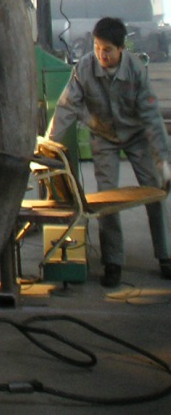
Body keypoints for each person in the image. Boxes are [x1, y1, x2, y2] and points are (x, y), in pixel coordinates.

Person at [47, 15, 171, 287]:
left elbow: (151, 116)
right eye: (97, 48)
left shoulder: (135, 70)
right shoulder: (85, 68)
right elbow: (67, 106)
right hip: (103, 137)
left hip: (136, 135)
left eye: (108, 50)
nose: (101, 55)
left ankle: (165, 255)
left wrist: (163, 161)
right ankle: (112, 261)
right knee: (106, 198)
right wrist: (48, 145)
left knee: (154, 191)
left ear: (122, 48)